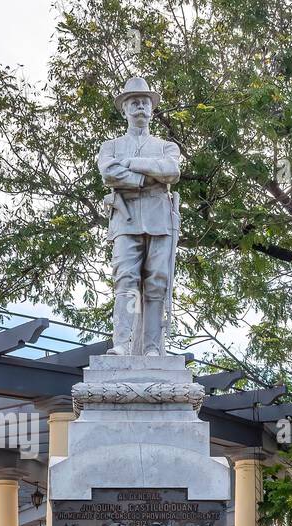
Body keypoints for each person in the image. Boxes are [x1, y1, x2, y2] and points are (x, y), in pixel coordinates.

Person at [96, 76, 181, 357]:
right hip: (126, 219)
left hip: (160, 221)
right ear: (124, 109)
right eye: (134, 102)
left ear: (152, 108)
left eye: (145, 102)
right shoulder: (110, 146)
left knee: (157, 281)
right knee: (126, 279)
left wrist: (132, 164)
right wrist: (146, 179)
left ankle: (153, 348)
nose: (141, 107)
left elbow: (171, 171)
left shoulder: (167, 146)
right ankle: (121, 343)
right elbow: (109, 172)